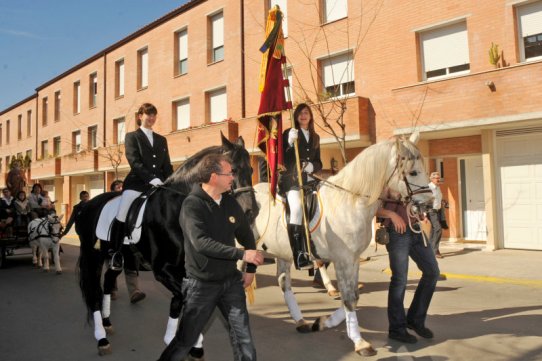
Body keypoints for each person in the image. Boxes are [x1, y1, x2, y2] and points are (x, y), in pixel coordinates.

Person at [159, 153, 263, 361]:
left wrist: (250, 270)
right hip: (201, 286)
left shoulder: (231, 203)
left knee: (244, 339)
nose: (233, 177)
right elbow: (202, 243)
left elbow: (246, 235)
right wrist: (243, 254)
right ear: (214, 176)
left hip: (231, 283)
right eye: (229, 173)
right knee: (184, 342)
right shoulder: (192, 205)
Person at [110, 103, 173, 304]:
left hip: (160, 184)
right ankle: (116, 252)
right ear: (140, 116)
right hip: (138, 183)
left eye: (154, 115)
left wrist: (170, 183)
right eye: (148, 115)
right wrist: (150, 178)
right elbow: (134, 162)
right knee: (123, 209)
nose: (152, 118)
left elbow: (167, 165)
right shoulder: (132, 137)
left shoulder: (162, 139)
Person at [376, 188, 440, 344]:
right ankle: (397, 329)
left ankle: (415, 320)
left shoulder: (411, 180)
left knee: (432, 272)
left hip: (416, 229)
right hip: (397, 233)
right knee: (400, 280)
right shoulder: (385, 178)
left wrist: (422, 212)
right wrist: (392, 214)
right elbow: (372, 208)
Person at [279, 103, 322, 270]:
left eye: (307, 113)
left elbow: (319, 161)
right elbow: (283, 159)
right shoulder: (288, 133)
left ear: (310, 116)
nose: (304, 115)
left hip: (310, 182)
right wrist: (289, 143)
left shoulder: (315, 137)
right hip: (292, 182)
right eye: (301, 113)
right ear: (296, 116)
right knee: (296, 209)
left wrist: (312, 166)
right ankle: (298, 254)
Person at [427, 172, 443, 258]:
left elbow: (438, 199)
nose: (438, 179)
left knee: (434, 230)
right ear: (432, 179)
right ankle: (434, 250)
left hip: (437, 211)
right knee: (438, 229)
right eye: (437, 178)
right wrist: (424, 213)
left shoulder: (437, 188)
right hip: (431, 211)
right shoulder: (429, 188)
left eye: (439, 178)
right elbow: (425, 200)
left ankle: (430, 249)